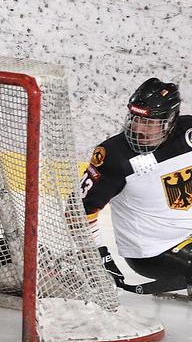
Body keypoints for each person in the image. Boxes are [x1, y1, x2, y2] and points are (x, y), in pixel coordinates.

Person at [80, 78, 192, 292]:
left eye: (149, 123)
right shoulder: (114, 155)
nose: (138, 128)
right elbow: (79, 211)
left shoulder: (188, 132)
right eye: (134, 119)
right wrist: (99, 256)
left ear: (170, 121)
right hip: (154, 251)